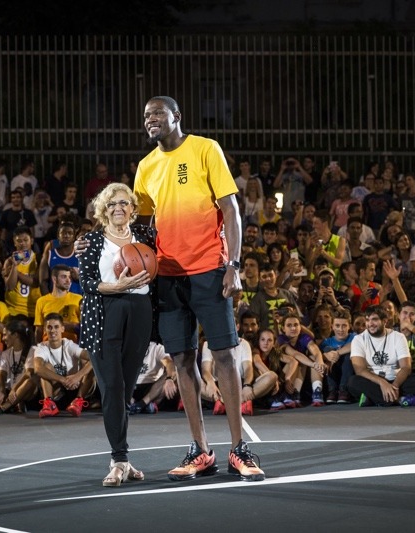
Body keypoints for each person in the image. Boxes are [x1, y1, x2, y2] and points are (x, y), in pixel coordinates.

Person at [133, 96, 263, 481]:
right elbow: (141, 228)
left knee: (224, 356)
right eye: (145, 116)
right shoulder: (145, 167)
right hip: (169, 278)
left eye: (157, 113)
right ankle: (201, 451)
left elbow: (231, 210)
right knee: (183, 361)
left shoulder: (206, 149)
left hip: (209, 269)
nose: (150, 120)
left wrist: (233, 265)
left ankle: (239, 449)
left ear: (177, 116)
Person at [77, 182, 154, 486]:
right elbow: (87, 282)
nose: (118, 208)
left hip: (140, 311)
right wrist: (119, 286)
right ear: (103, 209)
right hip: (105, 311)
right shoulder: (92, 241)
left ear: (133, 209)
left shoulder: (147, 237)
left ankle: (123, 459)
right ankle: (118, 458)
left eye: (124, 203)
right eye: (111, 204)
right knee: (111, 387)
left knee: (125, 389)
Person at [347, 305, 415, 407]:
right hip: (373, 381)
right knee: (352, 382)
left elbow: (406, 367)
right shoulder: (358, 339)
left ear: (385, 321)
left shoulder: (398, 337)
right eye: (367, 320)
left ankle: (375, 399)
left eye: (374, 320)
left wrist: (394, 386)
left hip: (396, 380)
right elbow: (360, 370)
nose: (370, 324)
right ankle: (401, 400)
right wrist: (382, 383)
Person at [33, 313, 95, 419]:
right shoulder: (41, 347)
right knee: (45, 367)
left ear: (62, 329)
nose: (53, 331)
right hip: (57, 392)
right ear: (44, 329)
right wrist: (63, 380)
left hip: (76, 389)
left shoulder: (70, 345)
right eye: (49, 327)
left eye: (56, 327)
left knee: (91, 368)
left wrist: (77, 376)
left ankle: (78, 401)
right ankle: (49, 404)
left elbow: (95, 358)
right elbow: (38, 369)